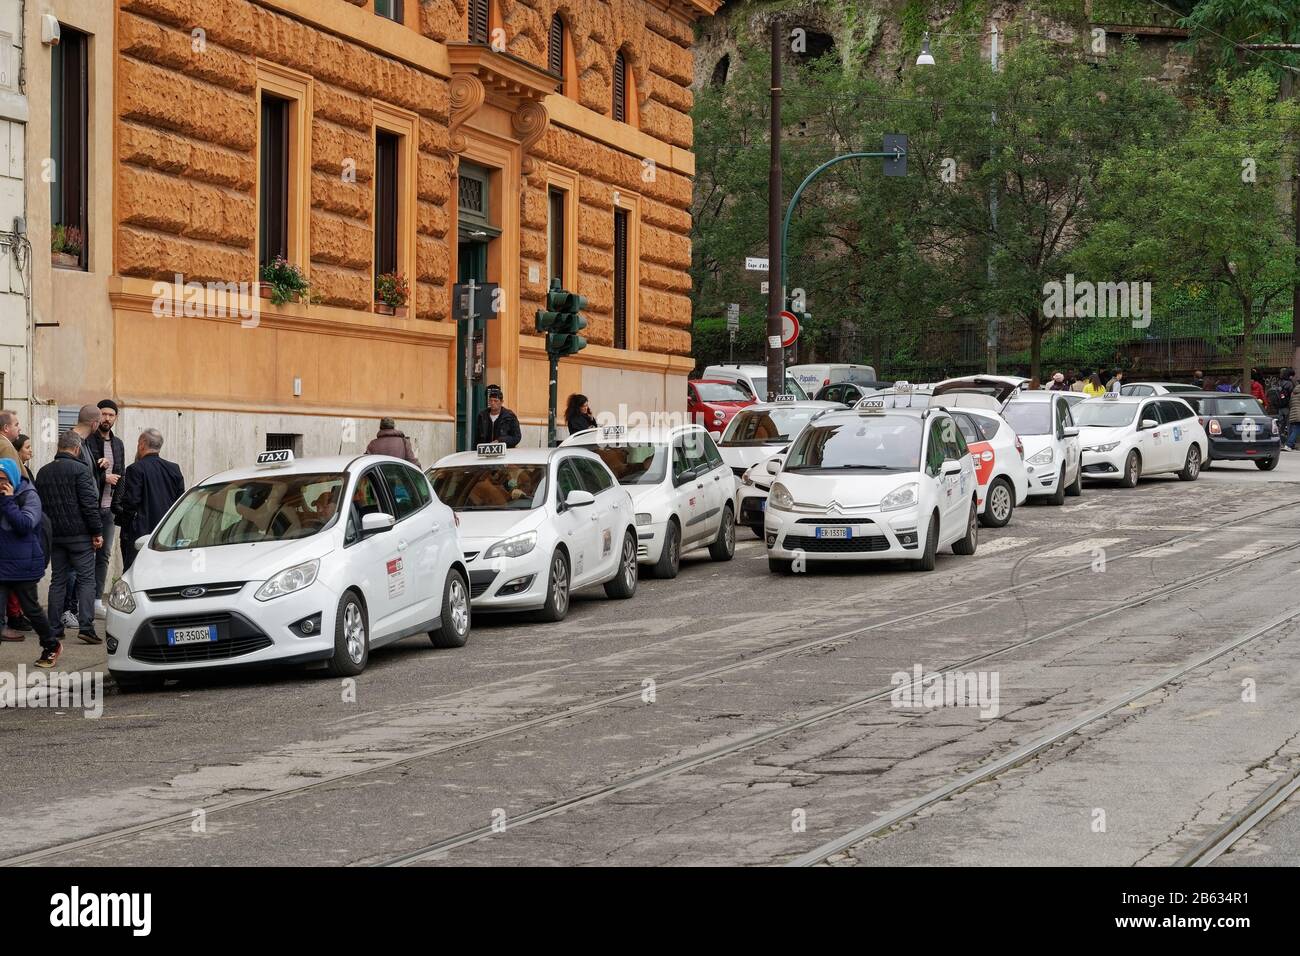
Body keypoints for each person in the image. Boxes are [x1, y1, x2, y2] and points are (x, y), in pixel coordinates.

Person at [36, 430, 102, 645]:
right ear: (76, 449)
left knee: (58, 581)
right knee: (86, 581)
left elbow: (40, 507)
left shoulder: (43, 472)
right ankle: (86, 627)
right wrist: (97, 532)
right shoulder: (81, 470)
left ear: (58, 448)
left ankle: (55, 628)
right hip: (80, 536)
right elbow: (89, 505)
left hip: (55, 537)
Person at [0, 458, 60, 669]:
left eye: (4, 479)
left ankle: (51, 645)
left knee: (31, 609)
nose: (1, 483)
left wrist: (7, 501)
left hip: (23, 565)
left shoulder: (28, 496)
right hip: (2, 564)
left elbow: (25, 525)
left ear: (14, 478)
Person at [114, 428, 187, 571]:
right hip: (169, 532)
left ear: (142, 444)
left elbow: (131, 502)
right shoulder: (174, 469)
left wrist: (125, 524)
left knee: (137, 572)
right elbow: (181, 501)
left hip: (142, 534)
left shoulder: (135, 469)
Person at [86, 400, 125, 618]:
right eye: (103, 414)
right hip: (91, 508)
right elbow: (85, 473)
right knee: (85, 556)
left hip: (109, 509)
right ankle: (80, 602)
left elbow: (122, 474)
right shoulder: (89, 441)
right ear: (97, 416)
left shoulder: (118, 444)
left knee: (104, 555)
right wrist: (104, 477)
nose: (107, 418)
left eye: (111, 415)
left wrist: (118, 505)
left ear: (116, 418)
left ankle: (95, 600)